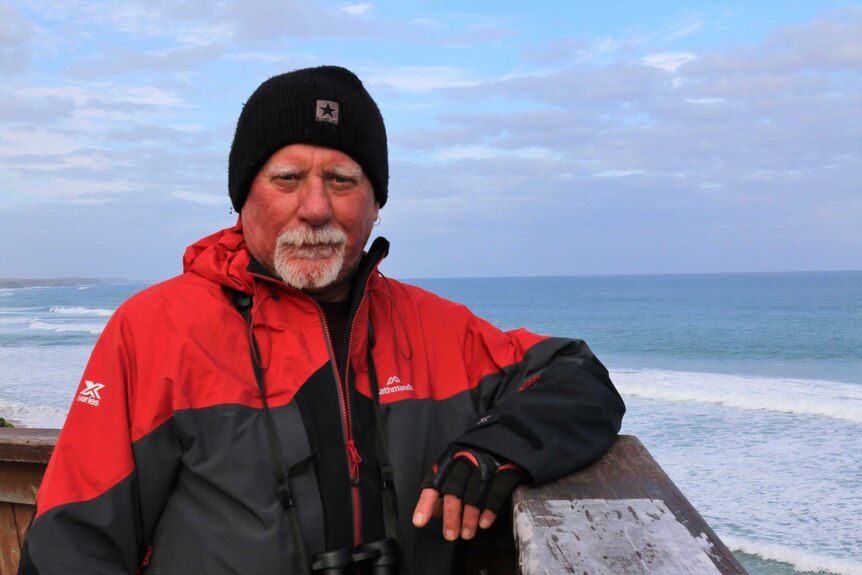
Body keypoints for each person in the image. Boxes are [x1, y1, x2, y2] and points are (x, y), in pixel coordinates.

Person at [19, 66, 625, 574]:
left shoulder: (436, 328)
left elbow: (574, 375)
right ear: (243, 193)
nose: (314, 207)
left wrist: (493, 451)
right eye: (287, 178)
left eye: (342, 179)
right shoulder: (154, 330)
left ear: (376, 202)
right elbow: (72, 541)